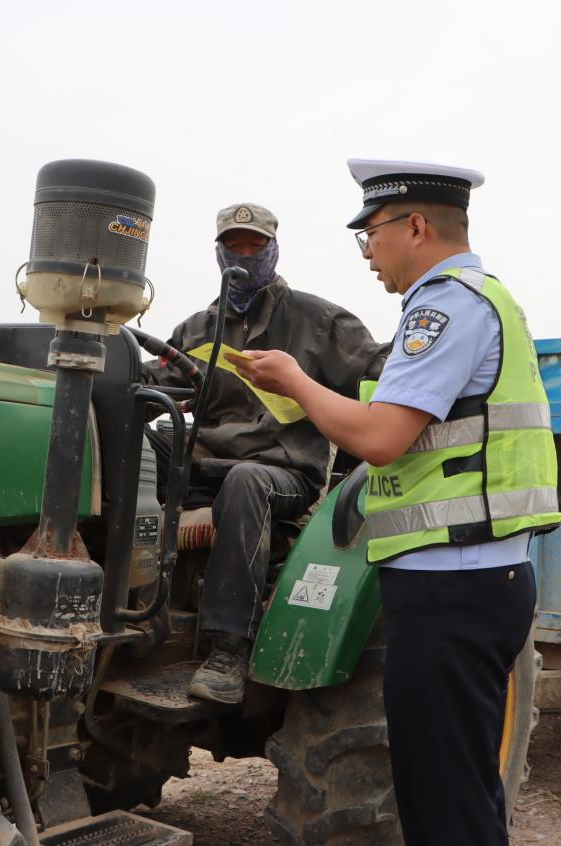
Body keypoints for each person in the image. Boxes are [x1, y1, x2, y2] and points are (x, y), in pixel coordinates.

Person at [230, 160, 561, 846]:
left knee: (444, 802)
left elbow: (381, 437)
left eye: (370, 235)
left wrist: (294, 377)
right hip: (464, 581)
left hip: (454, 588)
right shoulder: (474, 300)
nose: (367, 255)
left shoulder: (446, 306)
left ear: (414, 225)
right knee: (450, 787)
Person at [143, 202, 386, 705]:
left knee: (247, 480)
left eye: (255, 245)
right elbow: (152, 384)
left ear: (274, 249)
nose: (245, 254)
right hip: (204, 462)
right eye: (235, 246)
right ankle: (127, 606)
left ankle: (228, 647)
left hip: (282, 473)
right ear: (219, 252)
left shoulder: (318, 321)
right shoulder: (197, 330)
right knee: (130, 446)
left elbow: (380, 373)